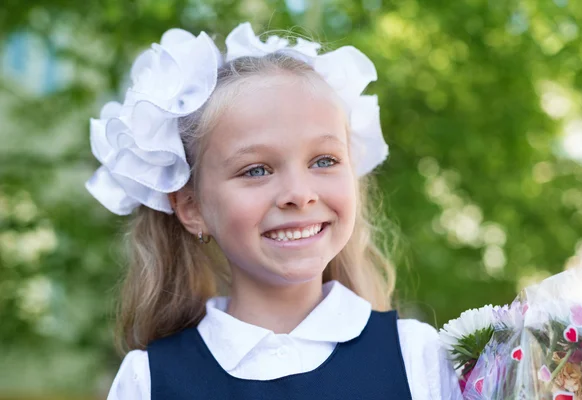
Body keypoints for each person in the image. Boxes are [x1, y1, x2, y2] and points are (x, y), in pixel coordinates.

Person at [87, 22, 462, 399]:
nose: (299, 195)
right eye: (256, 170)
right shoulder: (148, 379)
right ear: (191, 207)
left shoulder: (419, 357)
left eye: (324, 160)